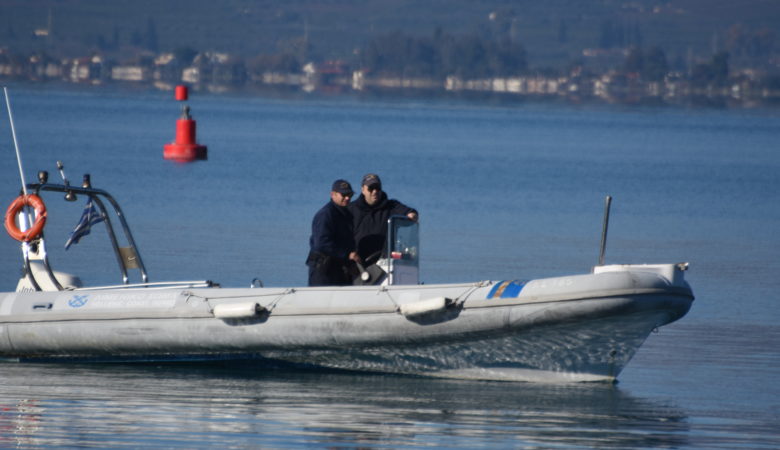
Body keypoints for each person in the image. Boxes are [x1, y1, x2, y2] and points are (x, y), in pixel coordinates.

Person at [348, 173, 418, 264]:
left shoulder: (391, 206)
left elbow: (410, 212)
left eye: (377, 188)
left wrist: (412, 215)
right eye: (371, 188)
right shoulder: (351, 209)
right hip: (358, 262)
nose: (374, 191)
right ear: (363, 190)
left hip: (384, 262)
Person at [306, 179, 361, 286]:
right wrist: (347, 254)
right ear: (333, 194)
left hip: (339, 269)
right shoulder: (325, 215)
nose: (347, 198)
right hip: (322, 270)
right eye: (344, 195)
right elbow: (321, 244)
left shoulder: (346, 214)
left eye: (350, 194)